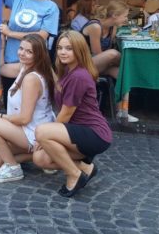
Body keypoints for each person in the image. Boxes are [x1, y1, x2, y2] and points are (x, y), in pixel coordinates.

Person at [33, 31, 112, 197]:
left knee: (41, 132)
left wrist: (43, 136)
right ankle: (86, 168)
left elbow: (66, 114)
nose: (62, 52)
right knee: (40, 159)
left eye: (69, 48)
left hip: (95, 133)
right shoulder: (69, 71)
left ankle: (74, 175)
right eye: (60, 48)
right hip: (79, 131)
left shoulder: (79, 76)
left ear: (79, 50)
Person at [0, 34, 55, 183]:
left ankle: (13, 168)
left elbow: (25, 118)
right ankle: (45, 155)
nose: (22, 53)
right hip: (26, 129)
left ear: (38, 54)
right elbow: (1, 68)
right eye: (21, 48)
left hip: (32, 131)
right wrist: (2, 46)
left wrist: (0, 117)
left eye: (29, 51)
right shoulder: (23, 67)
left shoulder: (32, 78)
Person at [0, 0, 60, 79]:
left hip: (33, 65)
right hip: (10, 63)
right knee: (10, 96)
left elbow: (41, 37)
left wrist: (10, 33)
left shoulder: (51, 7)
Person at [80, 0, 135, 122]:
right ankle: (133, 64)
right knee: (113, 54)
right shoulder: (95, 26)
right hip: (83, 65)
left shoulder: (113, 27)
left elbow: (106, 54)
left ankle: (122, 111)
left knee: (123, 74)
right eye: (124, 16)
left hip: (100, 65)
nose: (126, 19)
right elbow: (97, 54)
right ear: (115, 15)